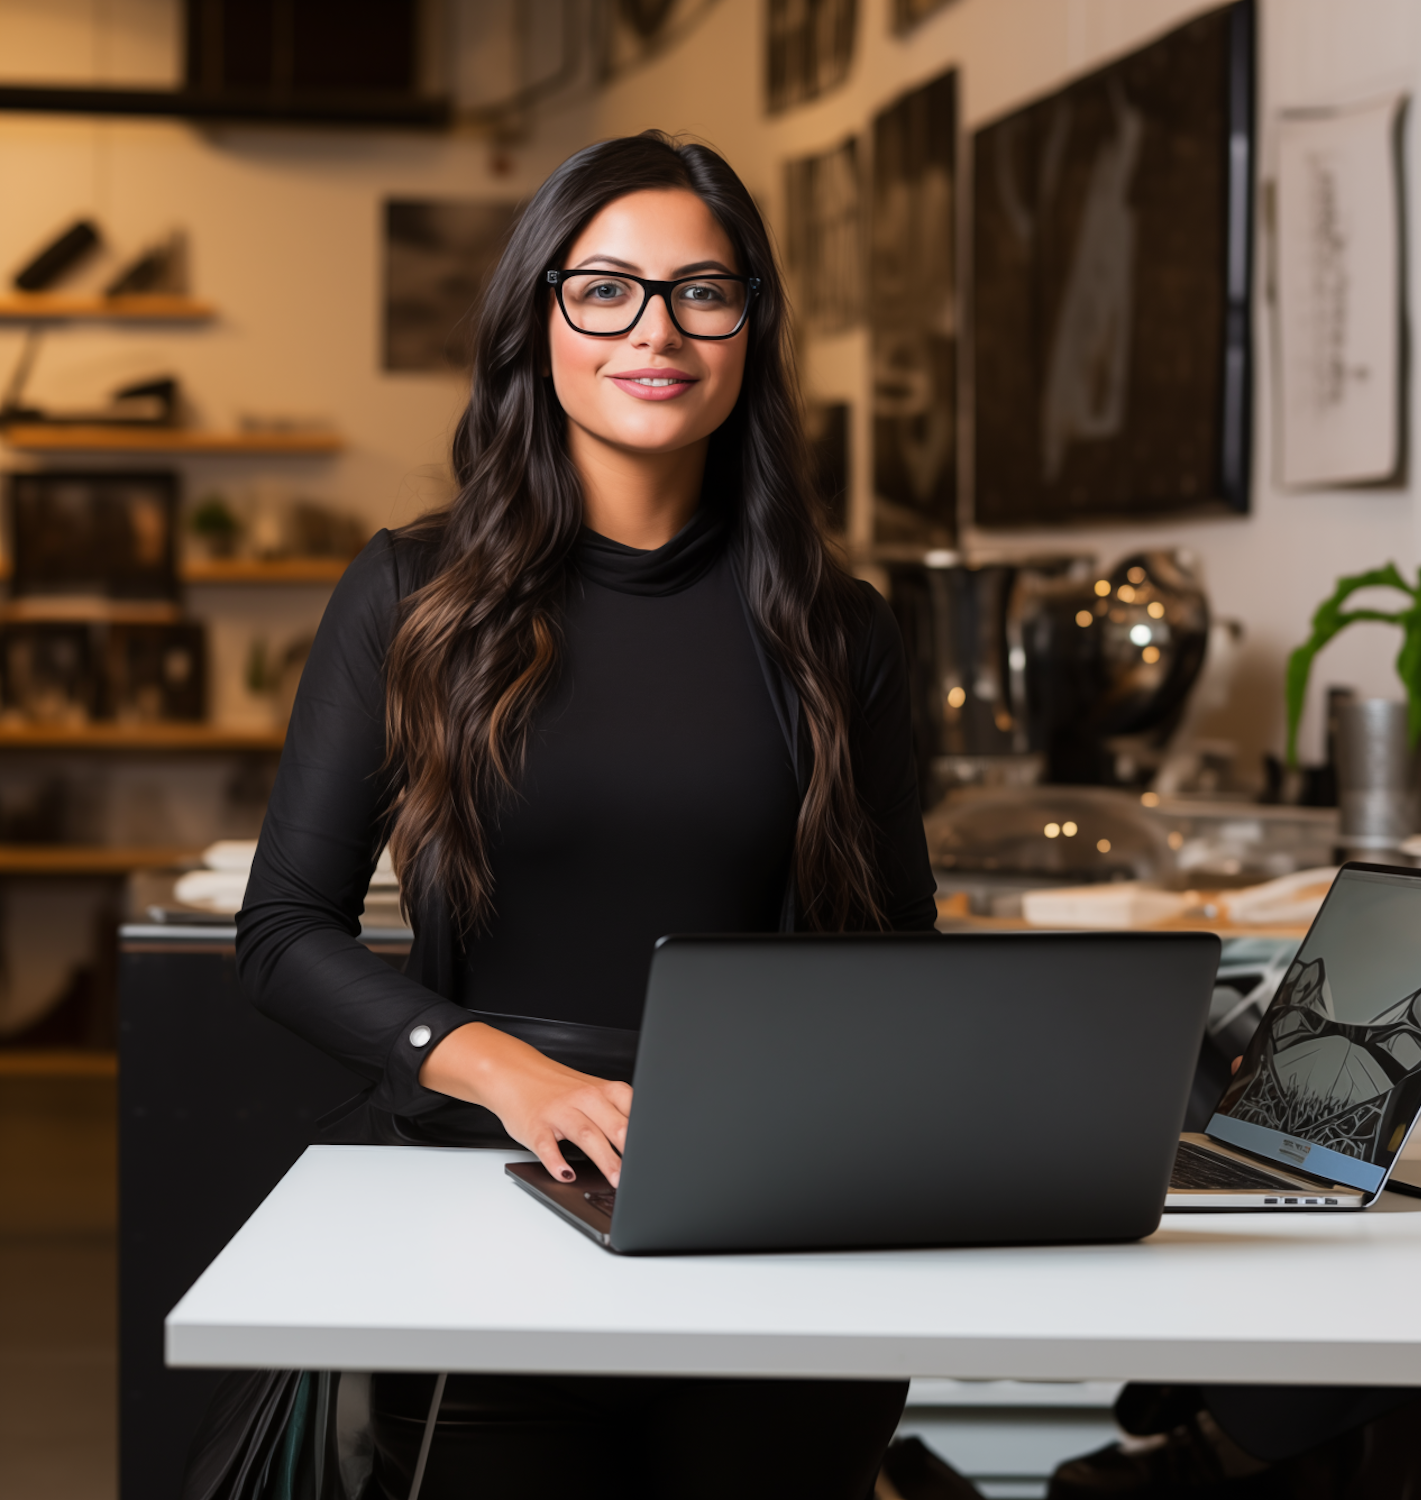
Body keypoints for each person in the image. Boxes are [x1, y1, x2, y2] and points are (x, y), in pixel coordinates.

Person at [235, 131, 937, 1500]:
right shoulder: (411, 598)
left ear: (750, 330)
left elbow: (894, 951)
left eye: (702, 291)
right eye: (604, 288)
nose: (655, 329)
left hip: (778, 1218)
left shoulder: (839, 631)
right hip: (491, 1200)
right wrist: (509, 1073)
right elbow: (280, 934)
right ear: (536, 321)